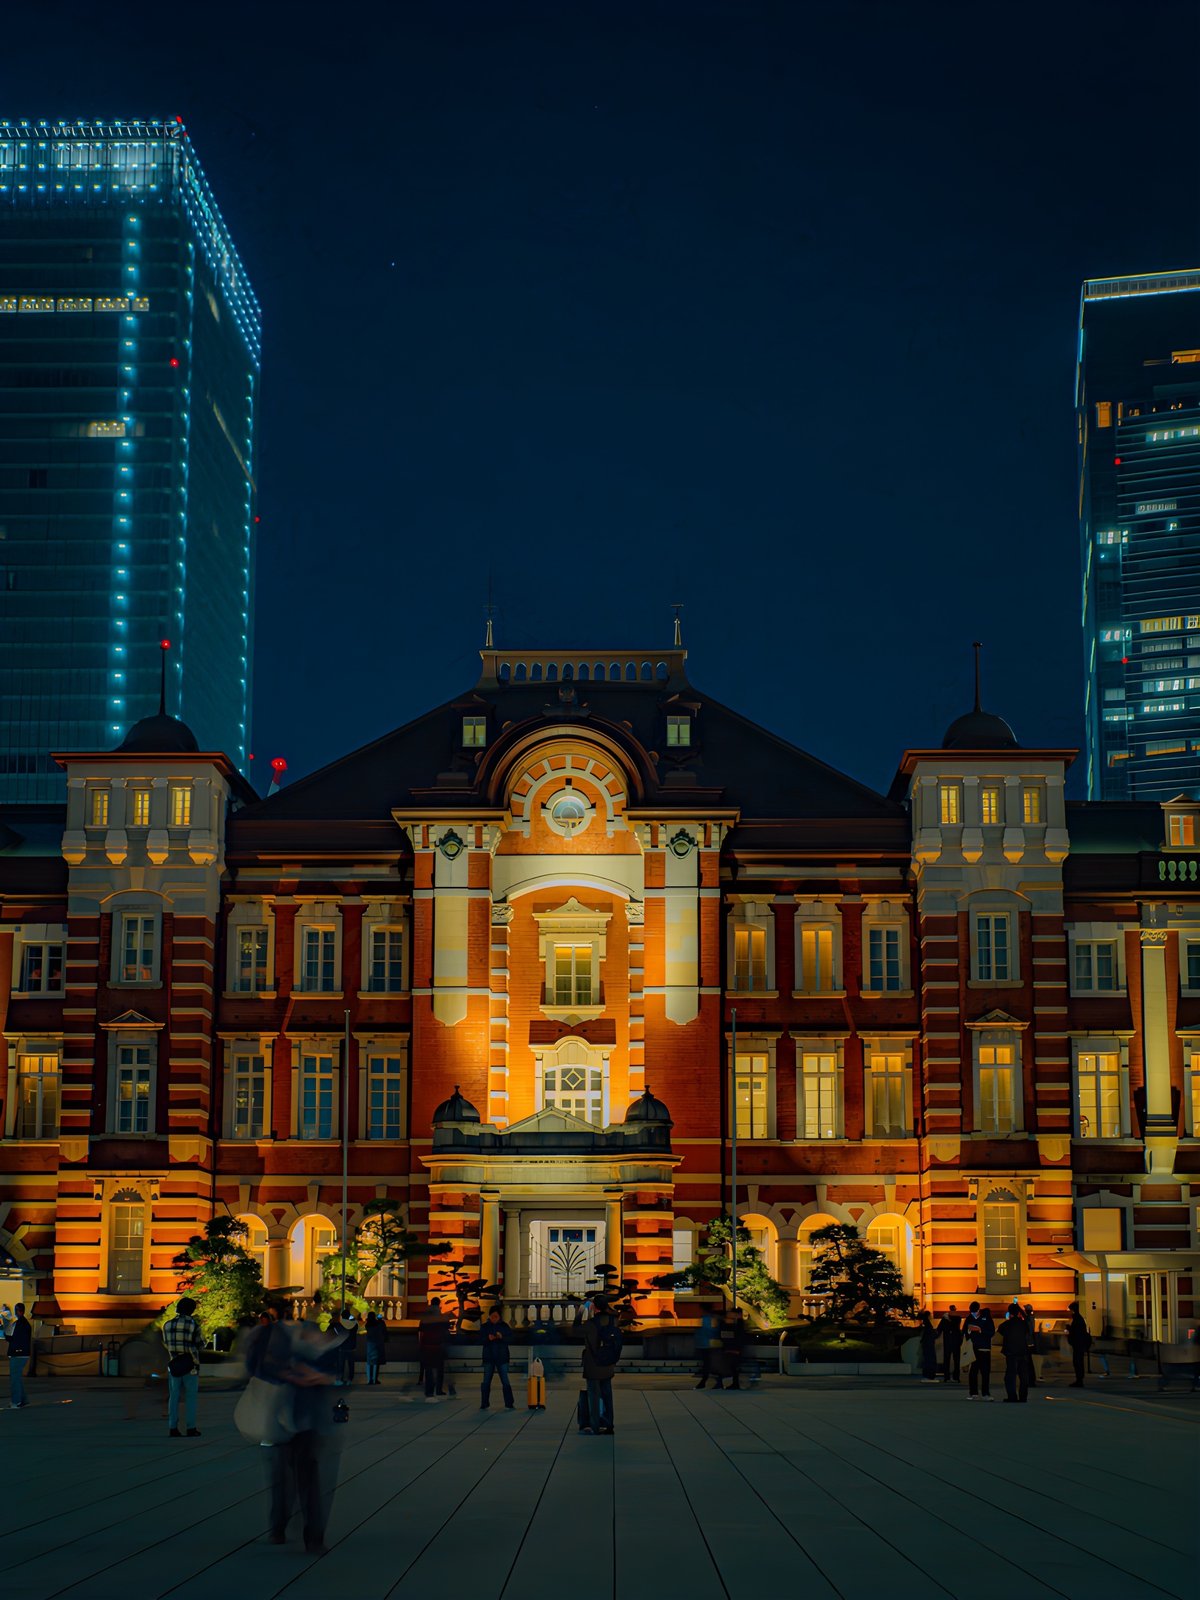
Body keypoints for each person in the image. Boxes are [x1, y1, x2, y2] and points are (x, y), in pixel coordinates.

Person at [257, 1313, 348, 1555]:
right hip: (288, 1423)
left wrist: (316, 1377)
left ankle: (305, 1535)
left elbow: (334, 1379)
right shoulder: (287, 1352)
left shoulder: (320, 1354)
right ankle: (287, 1530)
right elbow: (264, 1368)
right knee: (289, 1480)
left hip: (305, 1426)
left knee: (299, 1480)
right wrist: (294, 1375)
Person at [161, 1295, 205, 1437]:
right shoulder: (193, 1325)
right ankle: (190, 1427)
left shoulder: (167, 1325)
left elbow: (166, 1343)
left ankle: (173, 1427)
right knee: (190, 1397)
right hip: (190, 1364)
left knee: (174, 1396)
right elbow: (200, 1344)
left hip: (174, 1364)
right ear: (191, 1310)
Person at [581, 1298, 623, 1434]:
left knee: (593, 1396)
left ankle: (595, 1426)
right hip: (608, 1364)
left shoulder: (590, 1324)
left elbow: (575, 1330)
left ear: (594, 1307)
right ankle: (609, 1424)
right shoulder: (613, 1321)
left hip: (593, 1365)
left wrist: (582, 1310)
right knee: (607, 1395)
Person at [480, 1306, 514, 1409]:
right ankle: (484, 1403)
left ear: (499, 1317)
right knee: (486, 1381)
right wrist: (487, 1338)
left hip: (501, 1357)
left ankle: (509, 1403)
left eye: (496, 1316)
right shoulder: (485, 1327)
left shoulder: (504, 1326)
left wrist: (502, 1336)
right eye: (492, 1316)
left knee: (505, 1380)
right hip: (489, 1357)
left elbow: (511, 1338)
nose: (494, 1318)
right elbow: (480, 1339)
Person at [419, 1298, 451, 1400]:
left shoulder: (425, 1318)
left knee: (428, 1370)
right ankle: (438, 1389)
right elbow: (446, 1329)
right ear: (439, 1304)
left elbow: (420, 1331)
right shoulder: (440, 1317)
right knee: (439, 1369)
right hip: (438, 1346)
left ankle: (429, 1391)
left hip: (427, 1346)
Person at [963, 1301, 995, 1401]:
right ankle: (974, 1393)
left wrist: (980, 1330)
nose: (973, 1314)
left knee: (985, 1372)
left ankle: (985, 1393)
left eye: (975, 1312)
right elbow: (964, 1330)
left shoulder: (986, 1317)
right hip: (973, 1348)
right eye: (971, 1312)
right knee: (973, 1371)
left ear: (978, 1310)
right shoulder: (969, 1318)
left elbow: (992, 1331)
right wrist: (969, 1330)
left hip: (984, 1348)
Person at [999, 1306, 1029, 1402]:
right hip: (1022, 1351)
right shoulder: (1023, 1324)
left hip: (1011, 1352)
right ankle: (1023, 1397)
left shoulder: (1007, 1324)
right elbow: (1027, 1325)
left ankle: (1012, 1396)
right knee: (1023, 1376)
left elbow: (1000, 1330)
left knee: (1010, 1375)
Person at [6, 1301, 32, 1410]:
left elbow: (12, 1338)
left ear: (17, 1311)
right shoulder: (26, 1324)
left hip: (17, 1354)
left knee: (15, 1379)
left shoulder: (18, 1324)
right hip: (24, 1354)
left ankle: (16, 1402)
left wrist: (6, 1327)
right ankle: (23, 1400)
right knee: (17, 1378)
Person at [694, 1309, 722, 1390]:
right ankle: (713, 1381)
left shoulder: (706, 1319)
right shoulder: (712, 1319)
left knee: (708, 1364)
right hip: (710, 1345)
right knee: (710, 1364)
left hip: (707, 1345)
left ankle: (704, 1381)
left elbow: (708, 1331)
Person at [1066, 1300, 1092, 1387]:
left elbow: (1077, 1332)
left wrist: (1069, 1329)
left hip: (1078, 1344)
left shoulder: (1077, 1319)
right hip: (1079, 1344)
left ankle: (1079, 1380)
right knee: (1078, 1361)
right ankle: (1079, 1379)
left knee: (1077, 1361)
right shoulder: (1079, 1319)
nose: (1070, 1312)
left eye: (1071, 1310)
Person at [937, 1305, 962, 1383]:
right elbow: (956, 1327)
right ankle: (956, 1377)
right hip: (956, 1341)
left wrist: (947, 1318)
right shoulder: (958, 1318)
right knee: (957, 1360)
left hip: (947, 1341)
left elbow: (939, 1328)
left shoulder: (945, 1318)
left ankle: (946, 1377)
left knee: (946, 1359)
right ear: (955, 1309)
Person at [364, 1311, 387, 1385]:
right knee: (375, 1362)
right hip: (377, 1343)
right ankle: (375, 1379)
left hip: (370, 1343)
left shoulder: (367, 1325)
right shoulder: (378, 1324)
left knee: (369, 1362)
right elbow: (383, 1330)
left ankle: (369, 1379)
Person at [336, 1308, 358, 1384]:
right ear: (349, 1316)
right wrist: (353, 1318)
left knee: (341, 1365)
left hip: (342, 1347)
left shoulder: (339, 1324)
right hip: (351, 1347)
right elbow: (356, 1323)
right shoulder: (354, 1325)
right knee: (351, 1365)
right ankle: (350, 1380)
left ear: (342, 1316)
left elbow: (336, 1333)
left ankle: (340, 1379)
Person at [918, 1310, 938, 1382]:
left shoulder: (925, 1324)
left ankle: (927, 1374)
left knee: (927, 1359)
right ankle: (930, 1375)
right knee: (930, 1359)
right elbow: (931, 1335)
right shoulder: (928, 1325)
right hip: (929, 1345)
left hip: (926, 1345)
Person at [1022, 1304, 1039, 1389]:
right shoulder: (1031, 1317)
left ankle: (1031, 1380)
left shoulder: (1029, 1318)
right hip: (1029, 1343)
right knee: (1029, 1363)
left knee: (1028, 1363)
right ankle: (1031, 1380)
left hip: (1028, 1343)